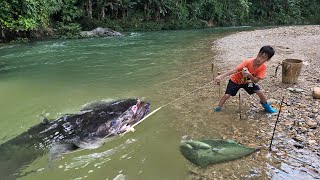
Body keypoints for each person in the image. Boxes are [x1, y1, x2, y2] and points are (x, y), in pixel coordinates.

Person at [213, 45, 277, 113]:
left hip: (248, 82)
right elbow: (235, 70)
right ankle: (218, 107)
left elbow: (255, 80)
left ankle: (267, 107)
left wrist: (249, 75)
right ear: (258, 53)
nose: (259, 59)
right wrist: (221, 76)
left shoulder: (263, 68)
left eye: (263, 58)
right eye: (259, 55)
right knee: (227, 95)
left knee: (260, 92)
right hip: (235, 81)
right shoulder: (248, 62)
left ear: (268, 59)